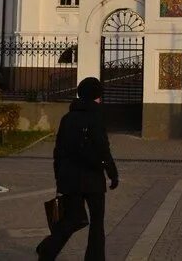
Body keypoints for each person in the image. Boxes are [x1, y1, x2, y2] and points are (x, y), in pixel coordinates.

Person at [37, 77, 119, 261]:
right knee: (97, 223)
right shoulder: (96, 118)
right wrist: (112, 173)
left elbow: (58, 150)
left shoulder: (67, 118)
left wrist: (59, 177)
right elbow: (102, 148)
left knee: (71, 219)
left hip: (69, 178)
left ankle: (48, 249)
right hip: (93, 179)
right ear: (97, 97)